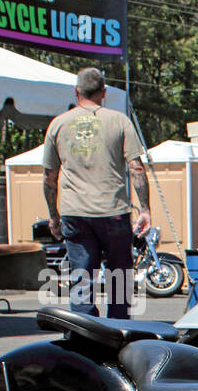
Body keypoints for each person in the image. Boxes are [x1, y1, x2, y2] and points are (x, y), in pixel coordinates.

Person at [42, 67, 150, 318]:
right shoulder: (119, 121)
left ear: (76, 91)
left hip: (74, 212)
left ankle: (85, 337)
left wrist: (53, 215)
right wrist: (144, 209)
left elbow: (49, 177)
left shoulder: (58, 124)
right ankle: (119, 333)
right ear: (104, 93)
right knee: (119, 278)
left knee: (81, 278)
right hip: (112, 210)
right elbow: (136, 167)